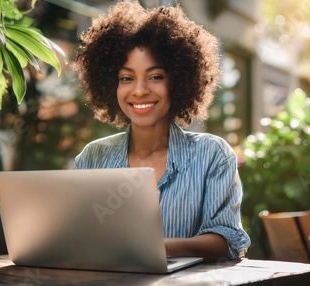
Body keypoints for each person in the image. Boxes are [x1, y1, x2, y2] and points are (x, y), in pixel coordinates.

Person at [74, 0, 250, 262]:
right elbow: (78, 235)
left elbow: (228, 241)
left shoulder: (213, 154)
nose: (140, 90)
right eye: (126, 78)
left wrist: (158, 246)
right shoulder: (93, 157)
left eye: (155, 76)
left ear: (179, 81)